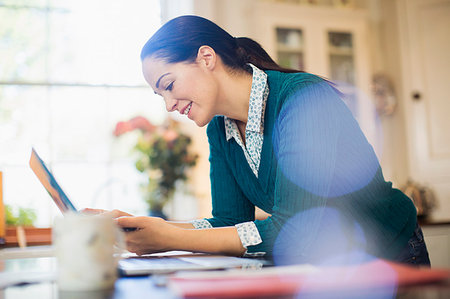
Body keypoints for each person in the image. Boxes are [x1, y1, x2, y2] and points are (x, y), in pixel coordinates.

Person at [85, 15, 430, 266]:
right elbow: (227, 220)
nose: (169, 105)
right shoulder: (219, 129)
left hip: (387, 253)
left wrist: (169, 238)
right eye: (160, 95)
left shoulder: (301, 99)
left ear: (206, 58)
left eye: (169, 85)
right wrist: (151, 229)